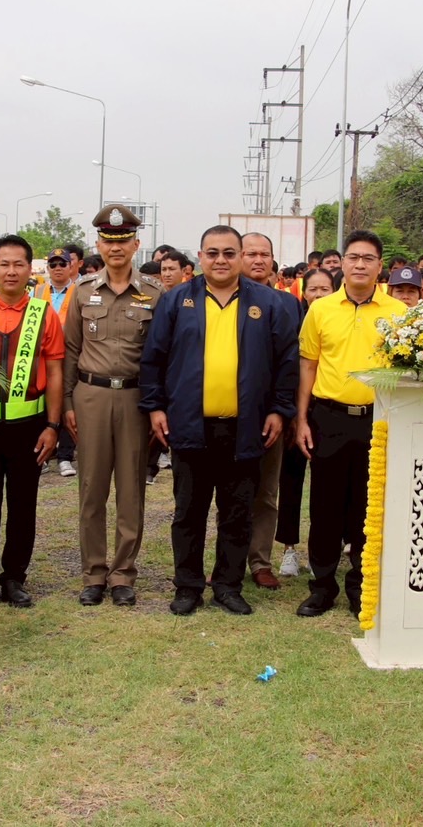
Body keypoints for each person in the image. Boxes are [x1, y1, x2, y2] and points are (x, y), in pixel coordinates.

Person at [143, 226, 297, 616]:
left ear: (241, 256)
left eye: (230, 253)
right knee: (188, 512)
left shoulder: (268, 302)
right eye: (213, 253)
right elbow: (154, 358)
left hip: (245, 428)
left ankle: (228, 586)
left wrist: (279, 410)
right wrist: (156, 407)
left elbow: (286, 363)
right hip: (190, 425)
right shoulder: (177, 300)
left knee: (237, 513)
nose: (221, 260)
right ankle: (188, 586)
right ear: (200, 257)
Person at [294, 230, 406, 618]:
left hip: (378, 420)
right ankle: (322, 586)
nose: (360, 264)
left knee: (368, 506)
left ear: (380, 266)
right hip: (328, 418)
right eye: (353, 257)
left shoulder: (398, 313)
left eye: (368, 258)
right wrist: (301, 418)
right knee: (324, 507)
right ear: (341, 263)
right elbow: (308, 365)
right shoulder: (321, 309)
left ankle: (362, 584)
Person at [62, 206, 162, 607]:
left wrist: (157, 406)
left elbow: (162, 355)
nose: (115, 248)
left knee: (131, 490)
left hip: (136, 399)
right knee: (91, 488)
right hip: (91, 396)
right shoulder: (82, 291)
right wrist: (68, 402)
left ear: (136, 245)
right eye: (108, 241)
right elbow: (71, 350)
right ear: (98, 245)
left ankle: (122, 574)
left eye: (123, 241)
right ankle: (93, 573)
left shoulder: (154, 293)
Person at [0, 234, 64, 609]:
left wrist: (52, 426)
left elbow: (54, 373)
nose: (11, 271)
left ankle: (14, 578)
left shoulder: (44, 313)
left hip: (30, 427)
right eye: (4, 264)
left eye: (19, 264)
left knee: (23, 507)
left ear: (30, 269)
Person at [239, 232, 300, 590]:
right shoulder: (221, 298)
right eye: (251, 253)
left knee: (265, 491)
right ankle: (228, 560)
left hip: (270, 412)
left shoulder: (287, 303)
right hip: (228, 411)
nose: (258, 260)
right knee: (230, 491)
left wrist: (284, 410)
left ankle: (260, 561)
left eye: (265, 254)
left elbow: (292, 361)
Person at [278, 267, 336, 578]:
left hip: (328, 413)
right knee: (290, 482)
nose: (318, 295)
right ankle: (289, 548)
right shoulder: (290, 321)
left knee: (327, 487)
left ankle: (324, 551)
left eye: (325, 289)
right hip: (294, 412)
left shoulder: (338, 322)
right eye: (312, 289)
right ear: (303, 292)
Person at [33, 247, 79, 478]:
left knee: (68, 402)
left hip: (70, 354)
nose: (58, 268)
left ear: (71, 267)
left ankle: (65, 456)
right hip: (44, 355)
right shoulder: (38, 290)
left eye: (63, 264)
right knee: (44, 402)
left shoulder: (81, 291)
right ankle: (43, 454)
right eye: (53, 264)